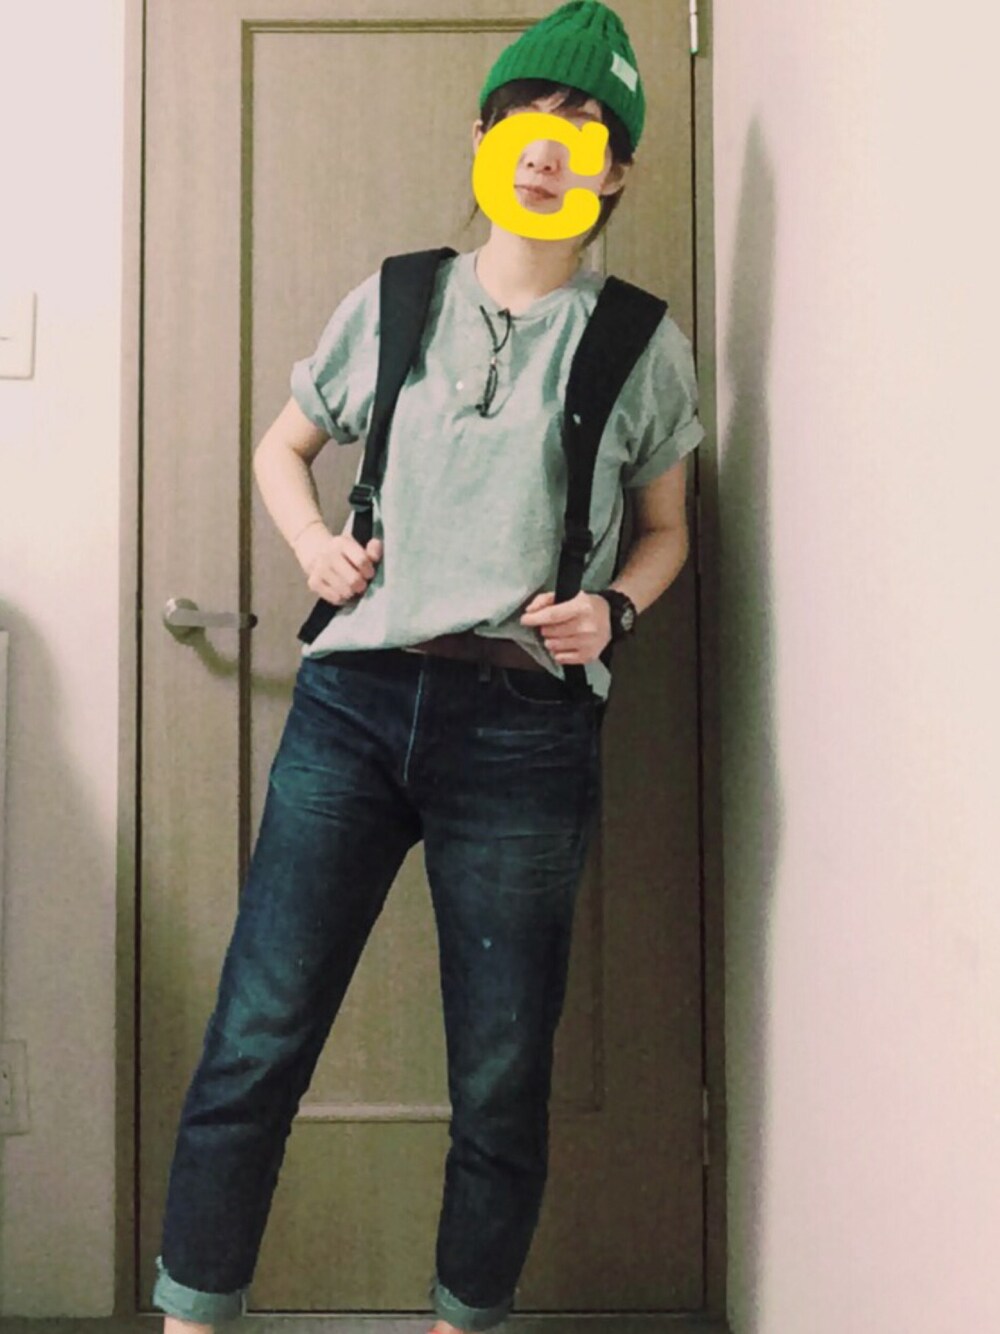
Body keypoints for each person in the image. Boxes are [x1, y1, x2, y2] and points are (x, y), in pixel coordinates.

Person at [151, 3, 705, 1333]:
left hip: (525, 732)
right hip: (352, 708)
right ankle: (189, 1317)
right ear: (483, 138)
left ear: (617, 173)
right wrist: (313, 550)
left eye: (587, 127)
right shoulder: (401, 297)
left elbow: (669, 530)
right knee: (256, 1037)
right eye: (530, 116)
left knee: (501, 1076)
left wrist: (615, 612)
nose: (552, 144)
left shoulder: (639, 340)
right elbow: (283, 447)